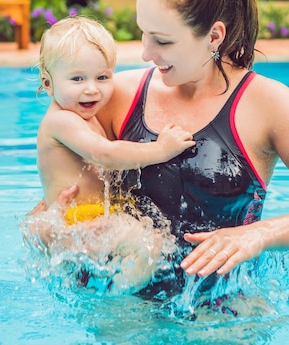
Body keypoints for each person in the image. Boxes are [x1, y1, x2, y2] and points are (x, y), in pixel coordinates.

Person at [29, 0, 289, 297]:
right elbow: (59, 194)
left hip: (222, 312)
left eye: (162, 40)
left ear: (213, 37)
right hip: (122, 312)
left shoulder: (267, 105)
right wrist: (45, 230)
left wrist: (258, 234)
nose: (145, 52)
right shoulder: (115, 95)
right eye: (143, 33)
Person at [26, 16, 195, 292]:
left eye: (102, 77)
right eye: (77, 78)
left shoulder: (83, 115)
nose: (92, 88)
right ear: (48, 83)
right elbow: (104, 154)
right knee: (151, 247)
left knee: (155, 242)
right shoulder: (61, 121)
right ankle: (115, 299)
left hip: (92, 216)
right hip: (79, 220)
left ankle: (114, 290)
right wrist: (161, 149)